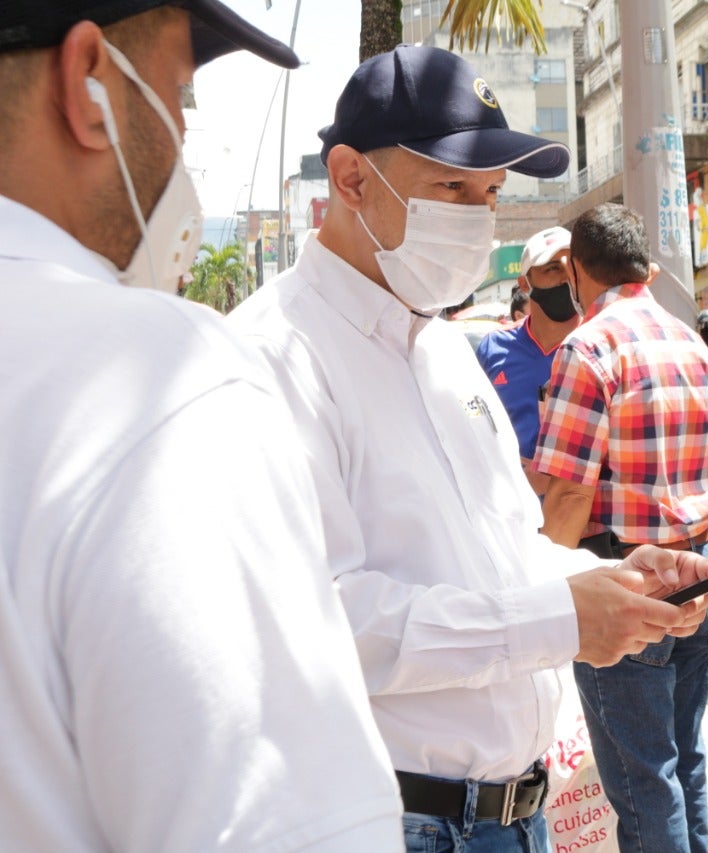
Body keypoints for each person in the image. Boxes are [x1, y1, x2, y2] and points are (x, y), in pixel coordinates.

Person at [226, 46, 708, 851]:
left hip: (516, 816)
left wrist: (614, 581)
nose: (476, 216)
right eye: (451, 187)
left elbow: (506, 552)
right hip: (396, 820)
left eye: (489, 193)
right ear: (350, 179)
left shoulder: (446, 348)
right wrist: (557, 622)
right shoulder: (272, 356)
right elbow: (317, 617)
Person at [0, 2, 405, 849]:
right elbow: (294, 826)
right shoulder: (168, 380)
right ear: (87, 86)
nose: (184, 132)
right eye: (179, 92)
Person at [534, 203, 708, 853]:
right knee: (684, 761)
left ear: (574, 269)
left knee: (644, 782)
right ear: (643, 264)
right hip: (697, 570)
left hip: (628, 582)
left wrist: (545, 593)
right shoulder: (693, 344)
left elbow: (566, 495)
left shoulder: (589, 348)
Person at [476, 226, 580, 495]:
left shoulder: (598, 345)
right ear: (525, 283)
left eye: (572, 266)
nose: (565, 278)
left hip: (583, 517)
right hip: (509, 508)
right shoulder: (494, 347)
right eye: (553, 268)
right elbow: (473, 419)